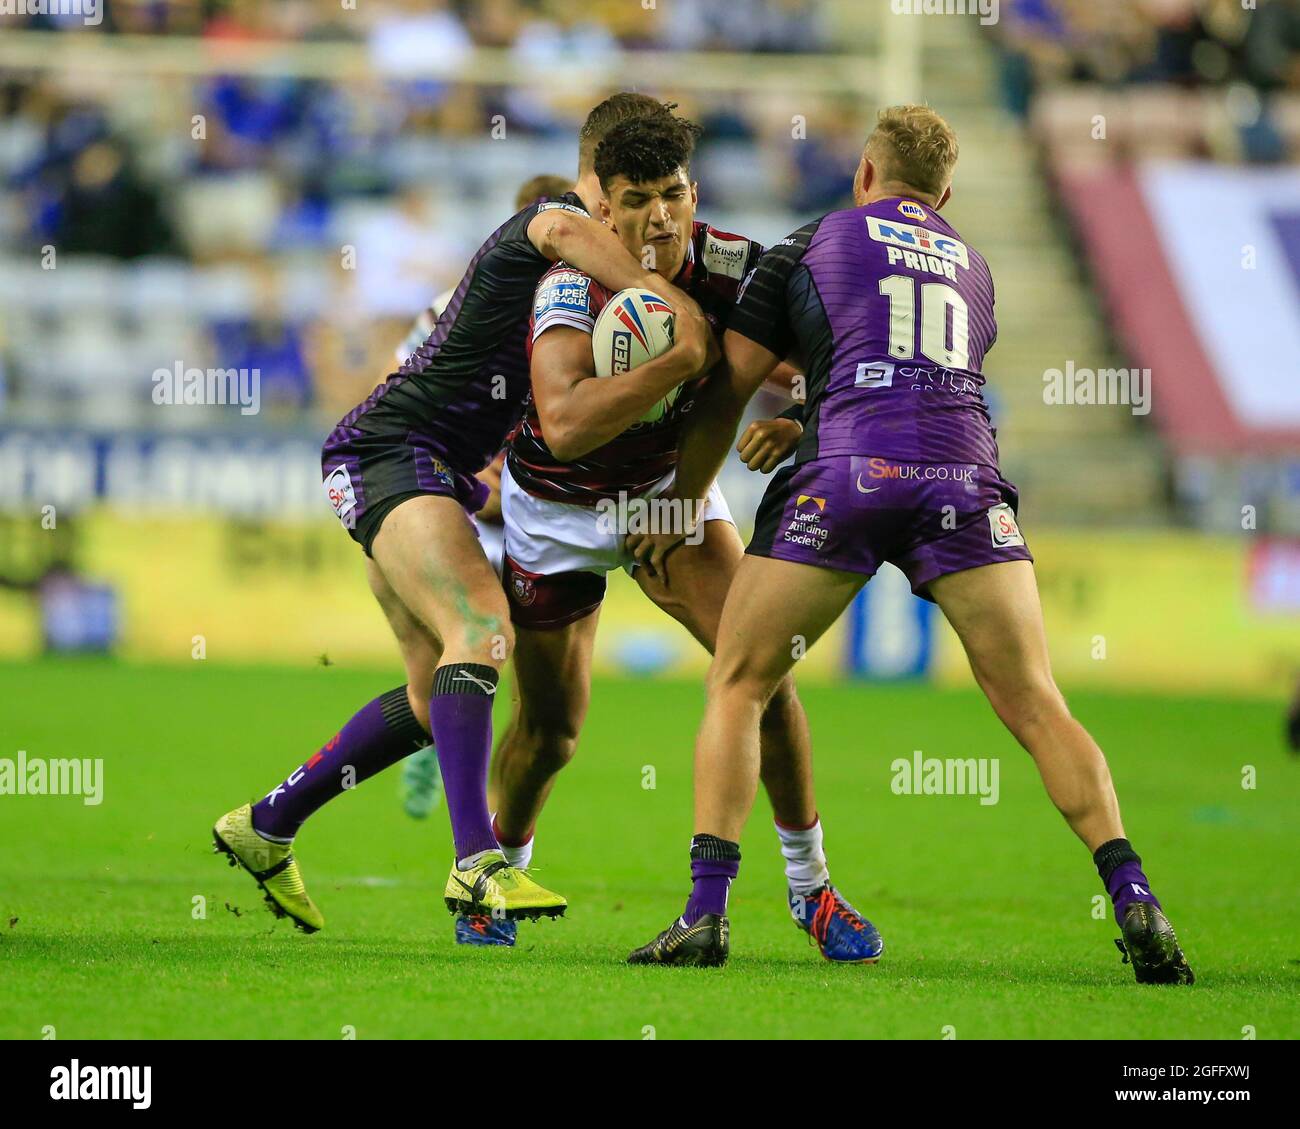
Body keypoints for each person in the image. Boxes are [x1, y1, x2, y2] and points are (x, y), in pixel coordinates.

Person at [625, 105, 1194, 986]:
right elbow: (914, 369)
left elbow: (735, 385)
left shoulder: (811, 243)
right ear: (947, 192)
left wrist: (684, 503)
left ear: (863, 176)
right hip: (966, 484)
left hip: (848, 480)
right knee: (1038, 699)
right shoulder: (976, 271)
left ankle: (705, 914)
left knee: (740, 682)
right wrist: (813, 414)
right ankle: (1134, 894)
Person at [213, 94, 712, 936]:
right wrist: (672, 304)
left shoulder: (572, 310)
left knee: (432, 683)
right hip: (384, 453)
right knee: (481, 629)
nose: (640, 225)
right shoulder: (555, 228)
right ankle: (477, 868)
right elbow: (558, 234)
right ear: (593, 195)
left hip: (426, 472)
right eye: (621, 206)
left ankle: (266, 824)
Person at [488, 111, 881, 962]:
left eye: (674, 195)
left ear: (694, 194)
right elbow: (560, 422)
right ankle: (499, 874)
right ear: (606, 210)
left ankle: (811, 887)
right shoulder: (569, 276)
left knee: (762, 671)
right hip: (556, 510)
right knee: (551, 728)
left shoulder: (737, 264)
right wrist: (680, 356)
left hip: (672, 494)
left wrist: (804, 411)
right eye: (638, 201)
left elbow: (829, 358)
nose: (660, 217)